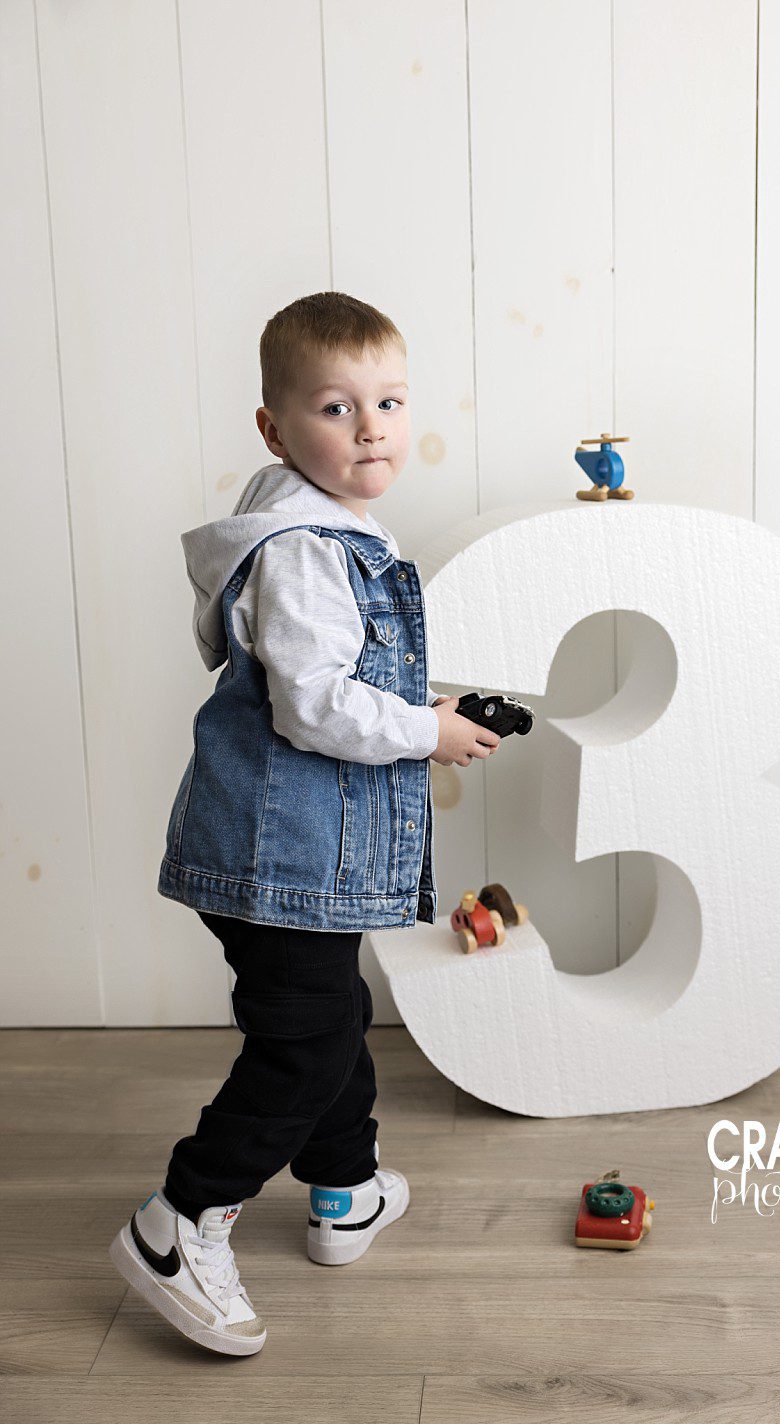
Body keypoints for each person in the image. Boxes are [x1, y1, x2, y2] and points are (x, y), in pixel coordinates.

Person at [109, 292, 502, 1355]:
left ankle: (343, 1186)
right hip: (279, 852)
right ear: (275, 429)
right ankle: (181, 1219)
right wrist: (426, 728)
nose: (370, 426)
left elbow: (332, 671)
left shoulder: (321, 519)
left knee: (330, 1011)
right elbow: (315, 704)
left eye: (388, 399)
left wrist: (431, 706)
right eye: (336, 406)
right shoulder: (304, 545)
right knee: (306, 1042)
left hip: (291, 855)